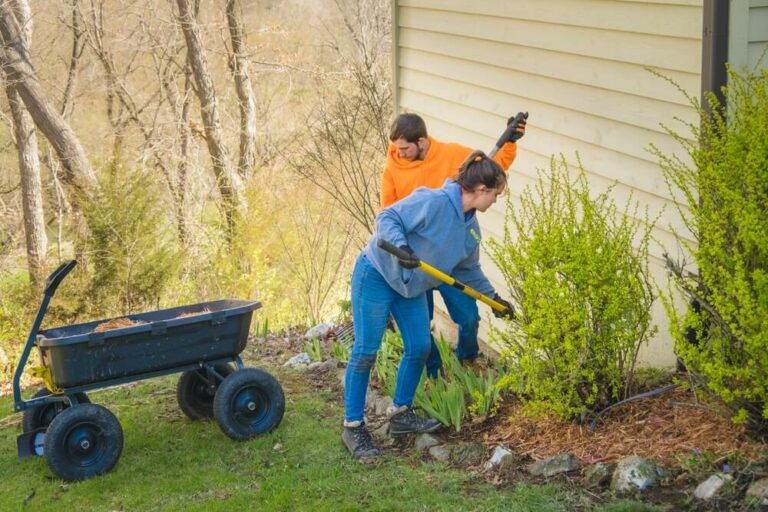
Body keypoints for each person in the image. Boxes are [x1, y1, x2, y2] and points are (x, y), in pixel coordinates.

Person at [343, 150, 515, 458]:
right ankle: (353, 426)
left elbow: (468, 270)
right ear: (480, 190)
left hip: (410, 289)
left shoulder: (470, 228)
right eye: (496, 195)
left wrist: (494, 299)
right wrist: (403, 247)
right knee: (367, 351)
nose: (495, 201)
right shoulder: (434, 201)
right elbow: (387, 217)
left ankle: (400, 415)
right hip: (378, 274)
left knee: (420, 347)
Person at [380, 113, 525, 376]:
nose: (399, 154)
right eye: (396, 149)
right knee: (420, 326)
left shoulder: (451, 156)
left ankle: (468, 358)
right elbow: (388, 213)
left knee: (468, 316)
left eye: (405, 149)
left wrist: (511, 141)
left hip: (451, 258)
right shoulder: (393, 169)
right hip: (417, 260)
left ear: (422, 142)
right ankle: (434, 373)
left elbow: (490, 172)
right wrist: (401, 251)